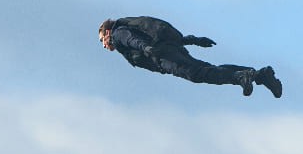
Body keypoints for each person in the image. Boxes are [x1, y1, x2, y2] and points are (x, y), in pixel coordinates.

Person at [99, 16, 282, 97]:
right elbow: (159, 36)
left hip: (162, 56)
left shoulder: (118, 34)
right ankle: (260, 75)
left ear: (107, 32)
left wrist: (146, 49)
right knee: (206, 69)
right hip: (169, 49)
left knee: (197, 74)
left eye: (102, 40)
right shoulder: (127, 26)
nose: (104, 45)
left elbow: (132, 40)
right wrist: (193, 40)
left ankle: (240, 77)